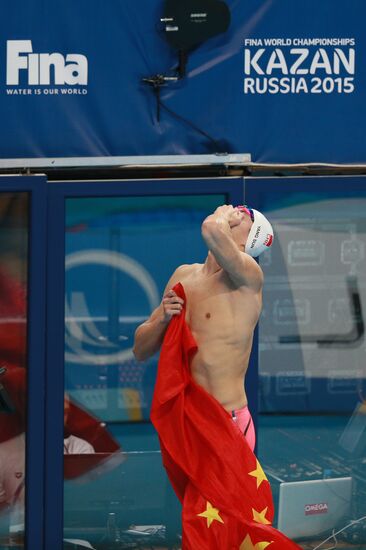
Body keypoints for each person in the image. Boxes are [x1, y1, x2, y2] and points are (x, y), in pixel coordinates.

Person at [133, 204, 274, 451]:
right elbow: (140, 350)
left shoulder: (248, 277)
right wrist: (162, 320)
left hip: (226, 420)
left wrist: (222, 214)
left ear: (250, 239)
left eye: (245, 215)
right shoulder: (183, 275)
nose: (237, 212)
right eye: (238, 210)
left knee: (229, 492)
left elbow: (211, 228)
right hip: (187, 420)